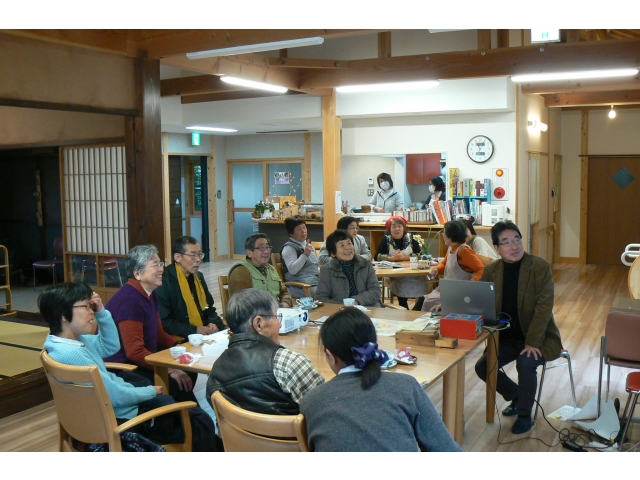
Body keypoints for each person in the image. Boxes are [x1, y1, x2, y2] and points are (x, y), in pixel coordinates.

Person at [40, 282, 217, 451]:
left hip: (104, 414)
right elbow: (115, 396)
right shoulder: (74, 355)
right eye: (85, 307)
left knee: (189, 414)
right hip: (123, 419)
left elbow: (110, 346)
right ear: (63, 315)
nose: (91, 311)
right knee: (199, 422)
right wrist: (150, 391)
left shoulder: (61, 344)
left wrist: (102, 311)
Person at [300, 308, 461, 452]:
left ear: (330, 356)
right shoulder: (406, 386)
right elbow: (446, 450)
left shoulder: (312, 401)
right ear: (373, 345)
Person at [474, 221, 562, 435]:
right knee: (483, 366)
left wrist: (532, 342)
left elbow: (544, 308)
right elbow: (478, 300)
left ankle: (524, 415)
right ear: (496, 248)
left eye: (517, 240)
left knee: (525, 362)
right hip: (506, 338)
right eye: (506, 242)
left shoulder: (539, 266)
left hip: (538, 337)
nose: (514, 246)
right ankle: (515, 395)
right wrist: (448, 307)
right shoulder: (492, 270)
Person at [206, 288, 324, 415]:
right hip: (285, 428)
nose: (279, 324)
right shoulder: (290, 363)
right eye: (277, 317)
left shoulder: (216, 371)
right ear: (259, 324)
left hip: (235, 429)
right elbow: (325, 408)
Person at [104, 245, 197, 404]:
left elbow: (158, 333)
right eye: (155, 265)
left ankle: (187, 415)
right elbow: (134, 352)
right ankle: (181, 415)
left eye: (161, 264)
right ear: (137, 273)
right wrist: (169, 369)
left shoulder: (149, 294)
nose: (161, 269)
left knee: (189, 369)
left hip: (140, 361)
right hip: (122, 369)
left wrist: (181, 348)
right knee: (175, 381)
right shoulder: (130, 300)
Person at [156, 236, 225, 339]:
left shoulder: (199, 277)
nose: (198, 259)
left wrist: (213, 323)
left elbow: (209, 309)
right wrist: (195, 330)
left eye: (200, 254)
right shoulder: (164, 281)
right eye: (193, 255)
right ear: (177, 257)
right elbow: (165, 322)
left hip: (205, 334)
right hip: (180, 338)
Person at [420, 220, 485, 312]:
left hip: (459, 293)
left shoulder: (464, 251)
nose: (442, 235)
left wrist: (471, 285)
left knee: (426, 301)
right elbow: (444, 263)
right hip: (449, 289)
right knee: (422, 299)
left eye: (444, 232)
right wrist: (437, 269)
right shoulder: (451, 247)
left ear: (451, 236)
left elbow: (481, 269)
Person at [315, 229, 381, 307]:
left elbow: (375, 291)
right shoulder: (326, 270)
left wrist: (356, 301)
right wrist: (343, 306)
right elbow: (321, 298)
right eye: (342, 245)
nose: (347, 248)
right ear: (333, 253)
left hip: (368, 307)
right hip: (340, 311)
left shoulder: (365, 264)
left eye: (349, 243)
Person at [228, 233, 294, 308]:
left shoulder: (271, 269)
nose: (266, 252)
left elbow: (284, 292)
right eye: (261, 248)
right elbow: (241, 305)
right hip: (256, 313)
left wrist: (284, 304)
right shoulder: (240, 271)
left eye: (268, 247)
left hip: (277, 311)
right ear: (249, 253)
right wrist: (269, 310)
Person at [376, 216, 425, 310]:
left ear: (404, 228)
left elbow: (419, 254)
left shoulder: (411, 238)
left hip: (412, 271)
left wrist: (406, 257)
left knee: (422, 283)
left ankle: (417, 309)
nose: (397, 229)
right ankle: (404, 307)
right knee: (400, 281)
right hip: (395, 273)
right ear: (389, 229)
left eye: (399, 226)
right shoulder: (386, 239)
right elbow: (377, 256)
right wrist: (392, 258)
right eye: (394, 226)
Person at [280, 215, 319, 297]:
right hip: (300, 286)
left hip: (314, 282)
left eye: (304, 228)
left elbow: (314, 267)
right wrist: (305, 255)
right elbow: (292, 270)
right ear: (291, 233)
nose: (303, 231)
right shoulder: (289, 247)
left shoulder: (308, 246)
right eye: (299, 229)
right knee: (323, 293)